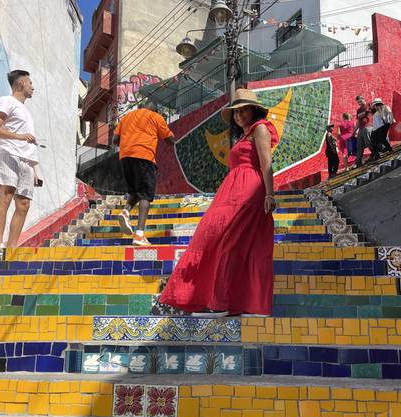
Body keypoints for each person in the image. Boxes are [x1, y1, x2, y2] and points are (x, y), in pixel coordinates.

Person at [159, 88, 279, 317]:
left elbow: (266, 164)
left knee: (229, 245)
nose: (240, 115)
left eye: (244, 110)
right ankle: (246, 304)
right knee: (228, 242)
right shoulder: (244, 135)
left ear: (254, 111)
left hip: (249, 192)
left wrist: (269, 195)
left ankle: (220, 303)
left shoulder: (260, 129)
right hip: (233, 193)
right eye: (236, 112)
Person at [0, 69, 40, 248]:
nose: (33, 87)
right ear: (21, 83)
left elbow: (29, 141)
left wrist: (35, 169)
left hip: (26, 161)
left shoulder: (26, 111)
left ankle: (11, 249)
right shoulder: (7, 101)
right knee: (6, 197)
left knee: (24, 204)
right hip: (9, 153)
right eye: (30, 83)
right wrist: (18, 136)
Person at [113, 101, 175, 246]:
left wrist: (128, 144)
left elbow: (115, 139)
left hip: (125, 157)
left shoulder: (127, 116)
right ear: (154, 109)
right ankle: (139, 234)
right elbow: (170, 139)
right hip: (144, 156)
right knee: (146, 194)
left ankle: (125, 212)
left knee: (135, 191)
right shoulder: (155, 117)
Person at [354, 95, 372, 167]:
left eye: (360, 101)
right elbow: (358, 120)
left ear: (364, 99)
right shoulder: (358, 110)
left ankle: (375, 155)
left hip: (368, 127)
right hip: (361, 129)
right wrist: (354, 131)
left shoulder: (368, 105)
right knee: (359, 145)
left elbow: (368, 112)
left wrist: (362, 114)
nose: (360, 103)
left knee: (369, 142)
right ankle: (358, 162)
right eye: (358, 102)